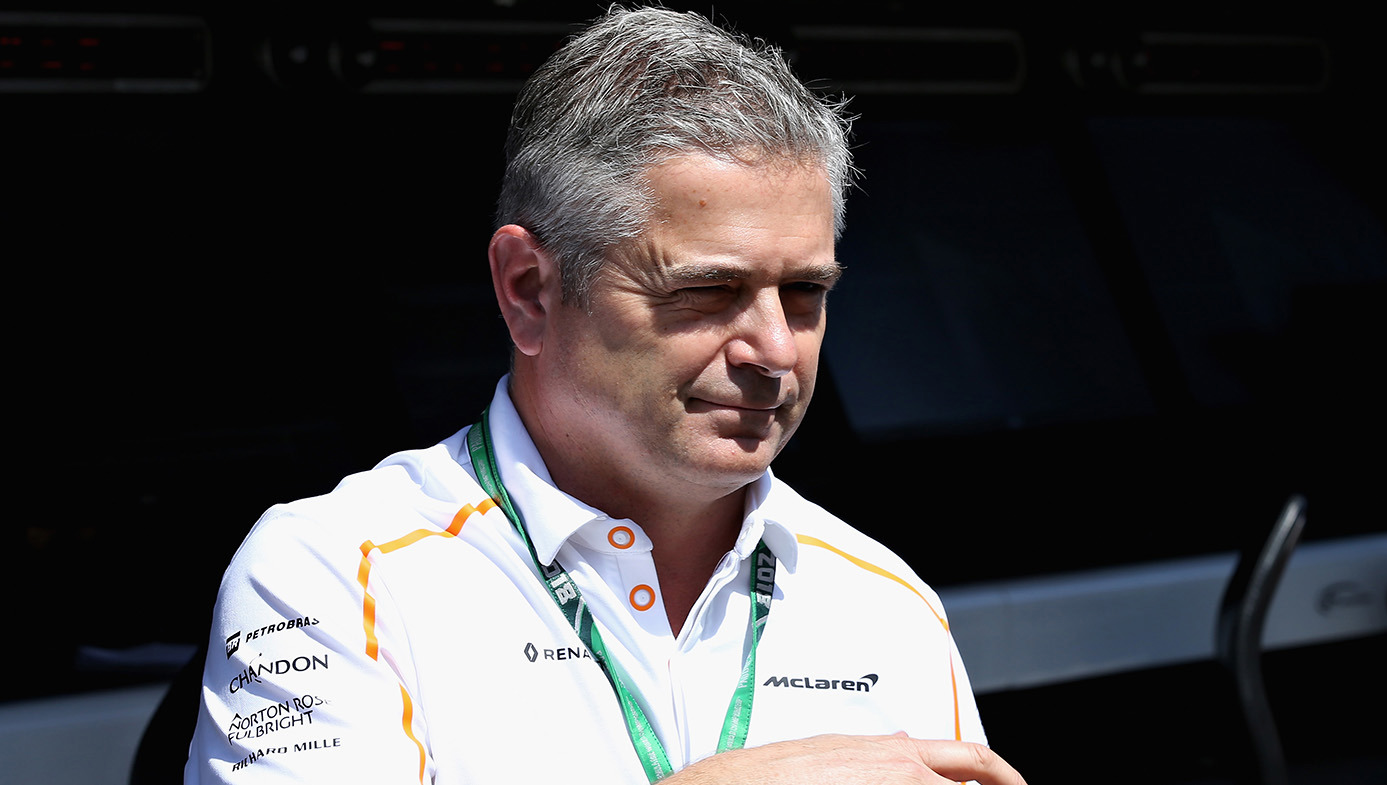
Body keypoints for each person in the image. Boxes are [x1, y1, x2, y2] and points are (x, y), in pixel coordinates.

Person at [184, 7, 1025, 784]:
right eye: (707, 290)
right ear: (528, 289)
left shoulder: (884, 598)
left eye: (805, 292)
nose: (775, 349)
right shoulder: (337, 572)